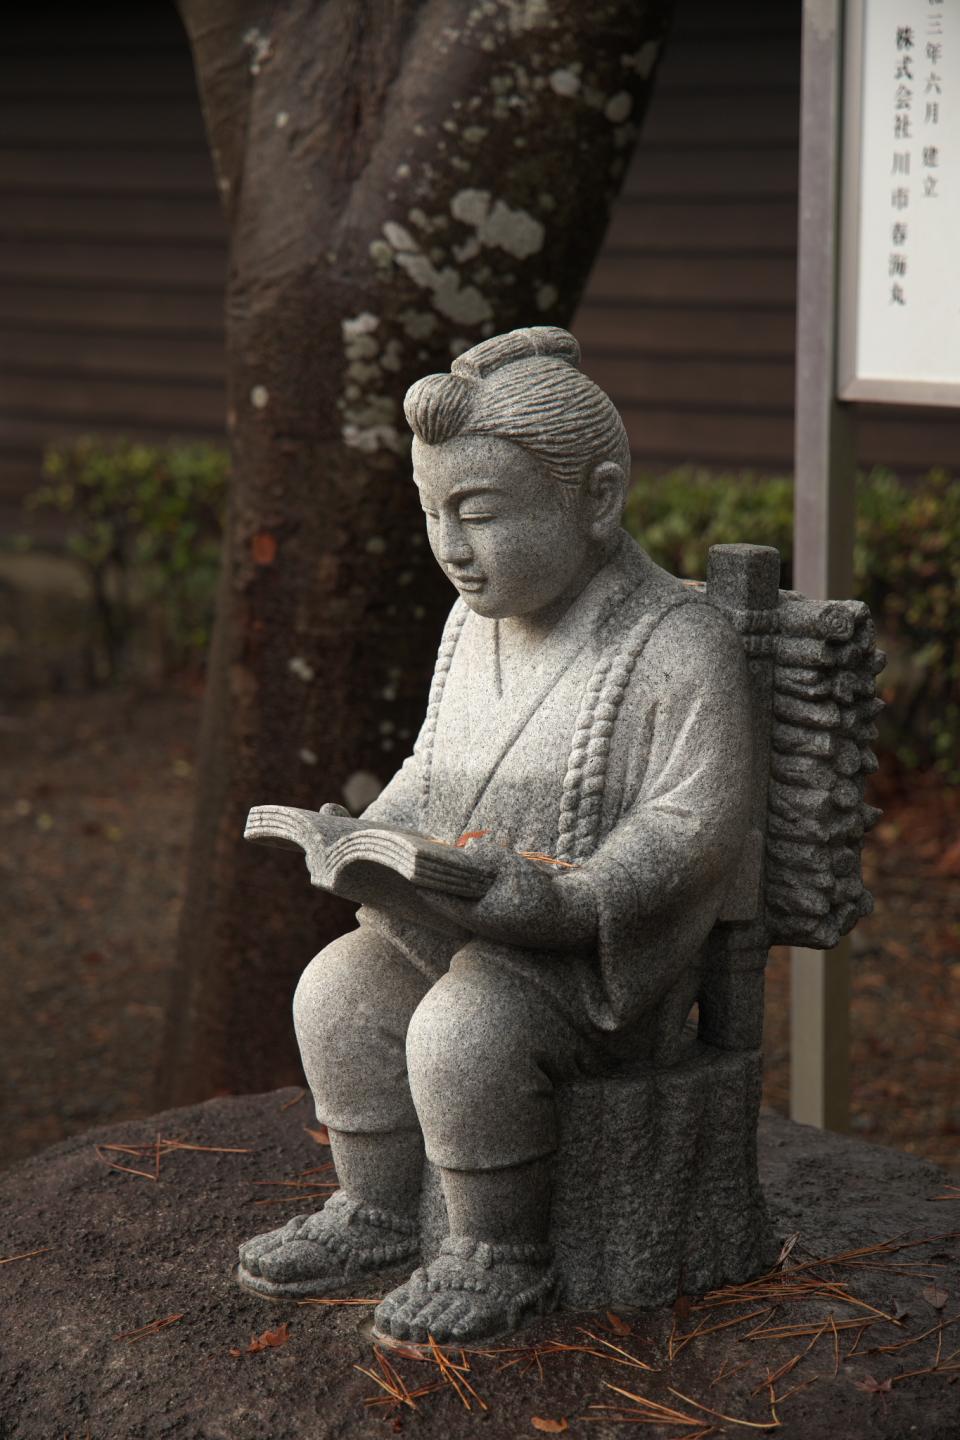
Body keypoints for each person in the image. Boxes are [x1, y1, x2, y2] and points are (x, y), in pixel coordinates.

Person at [237, 326, 752, 1343]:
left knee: (466, 1024)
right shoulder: (469, 627)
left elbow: (694, 825)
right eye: (433, 513)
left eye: (479, 515)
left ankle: (498, 1250)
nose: (452, 548)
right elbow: (433, 764)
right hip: (464, 916)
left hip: (598, 967)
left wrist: (572, 898)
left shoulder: (676, 643)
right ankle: (380, 1210)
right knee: (338, 988)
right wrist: (367, 834)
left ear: (595, 500)